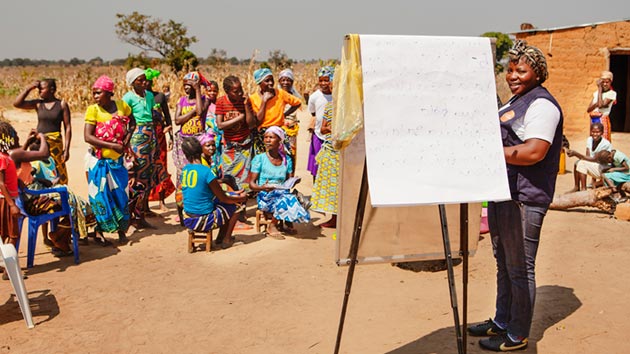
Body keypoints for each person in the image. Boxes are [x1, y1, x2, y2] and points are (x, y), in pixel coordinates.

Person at [467, 40, 563, 352]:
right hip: (504, 193)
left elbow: (535, 152)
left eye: (521, 70)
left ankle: (517, 335)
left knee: (521, 267)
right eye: (510, 70)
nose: (513, 76)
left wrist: (492, 151)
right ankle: (502, 319)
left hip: (526, 198)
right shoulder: (514, 103)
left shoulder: (542, 106)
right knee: (504, 262)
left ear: (538, 73)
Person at [84, 75, 134, 244]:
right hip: (99, 162)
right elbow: (88, 137)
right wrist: (112, 146)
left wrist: (126, 140)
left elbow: (132, 123)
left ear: (108, 92)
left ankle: (121, 230)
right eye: (94, 93)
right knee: (100, 196)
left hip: (117, 163)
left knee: (120, 195)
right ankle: (99, 232)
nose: (95, 96)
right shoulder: (93, 110)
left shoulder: (121, 106)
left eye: (98, 93)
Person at [180, 137, 247, 249]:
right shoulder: (206, 171)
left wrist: (233, 194)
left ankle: (222, 237)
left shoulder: (185, 170)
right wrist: (240, 198)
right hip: (203, 220)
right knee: (237, 205)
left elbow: (205, 191)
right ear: (201, 150)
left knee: (231, 198)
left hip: (187, 218)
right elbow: (223, 198)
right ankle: (226, 239)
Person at [248, 127, 310, 239]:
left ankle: (283, 221)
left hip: (282, 193)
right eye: (266, 137)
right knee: (287, 199)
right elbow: (251, 184)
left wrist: (294, 181)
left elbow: (289, 181)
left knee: (296, 198)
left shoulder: (287, 160)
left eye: (271, 137)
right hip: (265, 196)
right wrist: (263, 188)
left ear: (279, 140)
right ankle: (273, 225)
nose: (267, 140)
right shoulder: (259, 159)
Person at [13, 78, 72, 184]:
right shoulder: (38, 104)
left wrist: (66, 150)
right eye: (38, 89)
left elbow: (67, 127)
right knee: (38, 168)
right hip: (38, 143)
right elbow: (17, 103)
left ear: (52, 89)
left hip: (55, 145)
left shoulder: (61, 104)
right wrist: (29, 89)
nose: (39, 91)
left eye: (42, 89)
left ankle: (60, 194)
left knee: (58, 170)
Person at [173, 72, 210, 224]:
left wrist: (198, 91)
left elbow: (201, 111)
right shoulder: (181, 101)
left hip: (198, 140)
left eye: (191, 86)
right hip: (184, 142)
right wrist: (193, 112)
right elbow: (177, 120)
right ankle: (181, 213)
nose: (187, 88)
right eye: (185, 85)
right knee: (182, 176)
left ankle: (196, 208)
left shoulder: (204, 100)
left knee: (198, 175)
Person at [123, 68, 157, 229]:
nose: (145, 82)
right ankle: (130, 215)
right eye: (140, 80)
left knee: (147, 176)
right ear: (132, 83)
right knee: (134, 176)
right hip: (136, 138)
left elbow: (151, 113)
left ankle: (140, 214)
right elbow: (125, 122)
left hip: (150, 137)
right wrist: (127, 146)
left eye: (145, 80)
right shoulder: (128, 98)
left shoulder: (149, 96)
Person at [248, 68, 301, 157]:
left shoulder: (280, 93)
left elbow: (297, 103)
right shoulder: (253, 99)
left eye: (271, 80)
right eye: (267, 81)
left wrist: (285, 114)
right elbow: (258, 121)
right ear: (259, 83)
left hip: (279, 132)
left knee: (285, 159)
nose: (271, 83)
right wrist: (264, 101)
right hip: (263, 135)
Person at [145, 68, 176, 212]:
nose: (145, 83)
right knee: (145, 168)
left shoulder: (160, 97)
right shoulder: (140, 99)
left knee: (161, 166)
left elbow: (167, 116)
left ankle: (162, 200)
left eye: (148, 81)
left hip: (160, 135)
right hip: (145, 137)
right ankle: (145, 204)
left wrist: (171, 136)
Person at [310, 102, 338, 228]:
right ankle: (334, 218)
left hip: (347, 152)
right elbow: (323, 129)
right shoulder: (329, 106)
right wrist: (333, 129)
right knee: (332, 187)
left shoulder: (352, 106)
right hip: (331, 150)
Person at [566, 122, 612, 192]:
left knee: (582, 163)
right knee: (577, 163)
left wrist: (576, 154)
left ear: (602, 132)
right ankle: (577, 187)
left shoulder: (605, 144)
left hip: (604, 169)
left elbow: (595, 159)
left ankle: (584, 189)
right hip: (595, 165)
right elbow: (587, 156)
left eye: (597, 132)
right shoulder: (589, 140)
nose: (595, 134)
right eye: (593, 132)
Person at [307, 66, 334, 181]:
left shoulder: (337, 96)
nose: (323, 83)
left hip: (333, 136)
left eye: (326, 80)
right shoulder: (314, 97)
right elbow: (313, 112)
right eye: (321, 80)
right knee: (317, 166)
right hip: (319, 135)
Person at [0, 121, 23, 249]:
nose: (16, 139)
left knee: (5, 234)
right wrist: (12, 205)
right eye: (14, 137)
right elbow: (1, 183)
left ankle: (4, 265)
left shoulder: (7, 157)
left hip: (7, 199)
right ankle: (7, 266)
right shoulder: (2, 158)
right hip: (5, 201)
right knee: (12, 234)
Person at [278, 69, 304, 172]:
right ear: (279, 81)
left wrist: (284, 115)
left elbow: (298, 105)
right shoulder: (275, 96)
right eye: (283, 80)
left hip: (291, 131)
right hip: (278, 130)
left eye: (288, 80)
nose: (285, 82)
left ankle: (290, 178)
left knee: (291, 155)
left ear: (292, 82)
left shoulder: (295, 97)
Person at [587, 70, 616, 142]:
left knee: (603, 141)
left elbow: (600, 106)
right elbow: (589, 109)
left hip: (602, 120)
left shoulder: (611, 94)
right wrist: (598, 103)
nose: (605, 84)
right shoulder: (596, 93)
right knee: (593, 141)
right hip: (593, 120)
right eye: (603, 82)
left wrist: (599, 88)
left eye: (607, 82)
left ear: (611, 82)